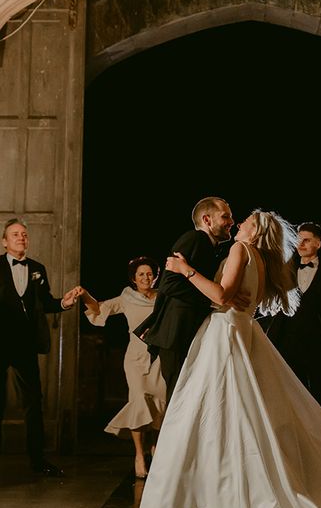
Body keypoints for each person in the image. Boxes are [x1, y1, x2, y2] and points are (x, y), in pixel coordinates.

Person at [133, 209, 321, 508]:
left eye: (244, 222)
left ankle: (218, 495)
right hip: (243, 331)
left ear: (254, 232)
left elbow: (221, 295)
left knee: (214, 412)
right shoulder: (259, 257)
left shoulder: (240, 249)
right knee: (242, 413)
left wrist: (185, 270)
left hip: (225, 335)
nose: (238, 224)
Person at [134, 197, 247, 401]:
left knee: (188, 398)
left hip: (186, 331)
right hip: (177, 332)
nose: (231, 221)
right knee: (179, 397)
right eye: (225, 217)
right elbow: (169, 284)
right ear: (207, 219)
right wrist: (216, 298)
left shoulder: (210, 246)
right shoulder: (194, 239)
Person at [0, 218, 79, 476]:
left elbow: (45, 303)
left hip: (25, 345)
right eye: (15, 234)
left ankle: (38, 462)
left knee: (34, 402)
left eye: (24, 234)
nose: (21, 237)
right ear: (4, 241)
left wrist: (64, 304)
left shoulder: (37, 268)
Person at [76, 256, 166, 479]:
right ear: (133, 279)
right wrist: (84, 295)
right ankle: (138, 454)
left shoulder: (164, 298)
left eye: (149, 274)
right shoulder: (127, 298)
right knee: (138, 401)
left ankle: (155, 448)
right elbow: (99, 309)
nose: (145, 278)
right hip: (135, 359)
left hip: (159, 359)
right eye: (141, 274)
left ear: (156, 277)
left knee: (160, 404)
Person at [261, 221, 321, 417]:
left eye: (306, 240)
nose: (301, 244)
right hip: (287, 337)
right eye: (298, 240)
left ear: (319, 244)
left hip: (320, 338)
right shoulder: (283, 268)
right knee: (288, 388)